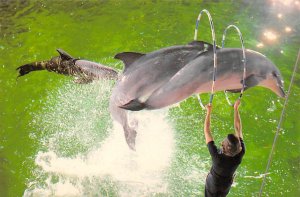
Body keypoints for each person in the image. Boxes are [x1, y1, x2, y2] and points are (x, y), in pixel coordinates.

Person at [203, 99, 245, 197]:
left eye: (223, 141)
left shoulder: (218, 157)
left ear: (223, 145)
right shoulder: (240, 153)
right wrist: (236, 109)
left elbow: (207, 131)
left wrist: (208, 112)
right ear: (238, 148)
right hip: (226, 185)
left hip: (213, 185)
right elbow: (238, 128)